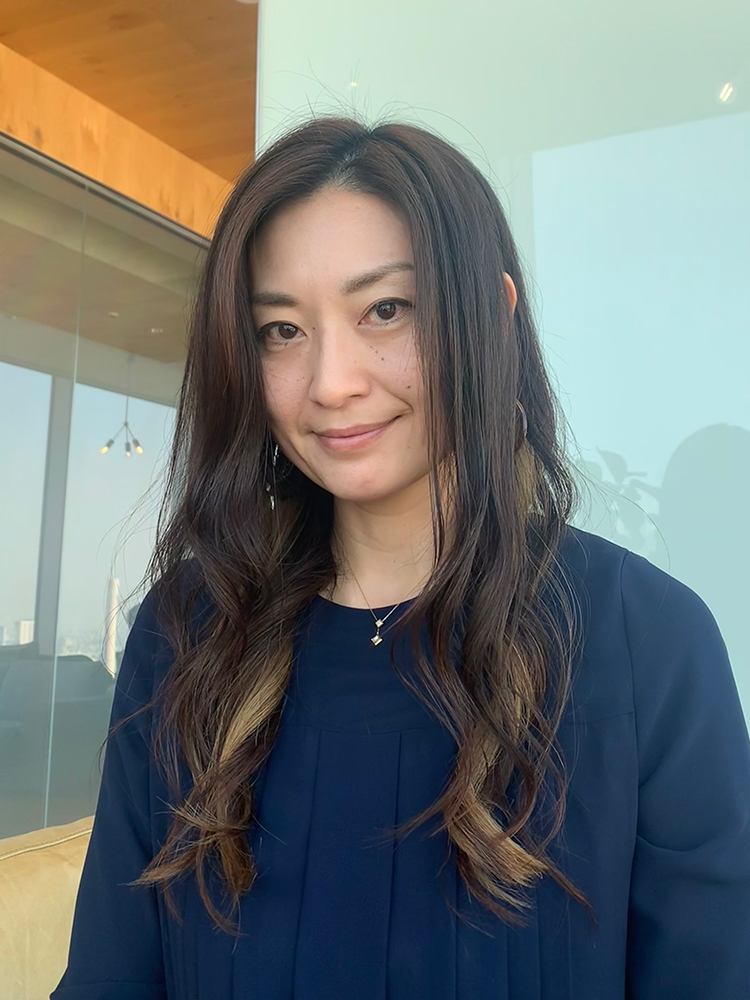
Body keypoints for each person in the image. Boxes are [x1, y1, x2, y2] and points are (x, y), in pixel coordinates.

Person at [51, 118, 750, 1000]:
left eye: (386, 309)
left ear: (491, 318)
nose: (331, 381)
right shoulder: (191, 629)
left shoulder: (651, 642)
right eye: (281, 330)